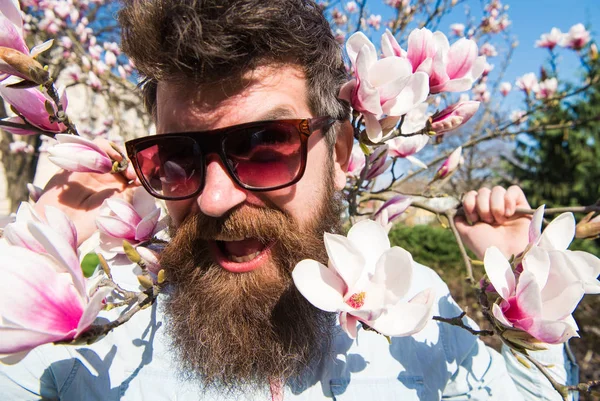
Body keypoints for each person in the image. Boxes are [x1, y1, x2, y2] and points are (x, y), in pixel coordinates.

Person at [0, 0, 578, 400]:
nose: (214, 200)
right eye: (175, 158)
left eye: (266, 145)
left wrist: (531, 286)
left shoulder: (416, 308)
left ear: (343, 150)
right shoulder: (97, 351)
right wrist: (37, 261)